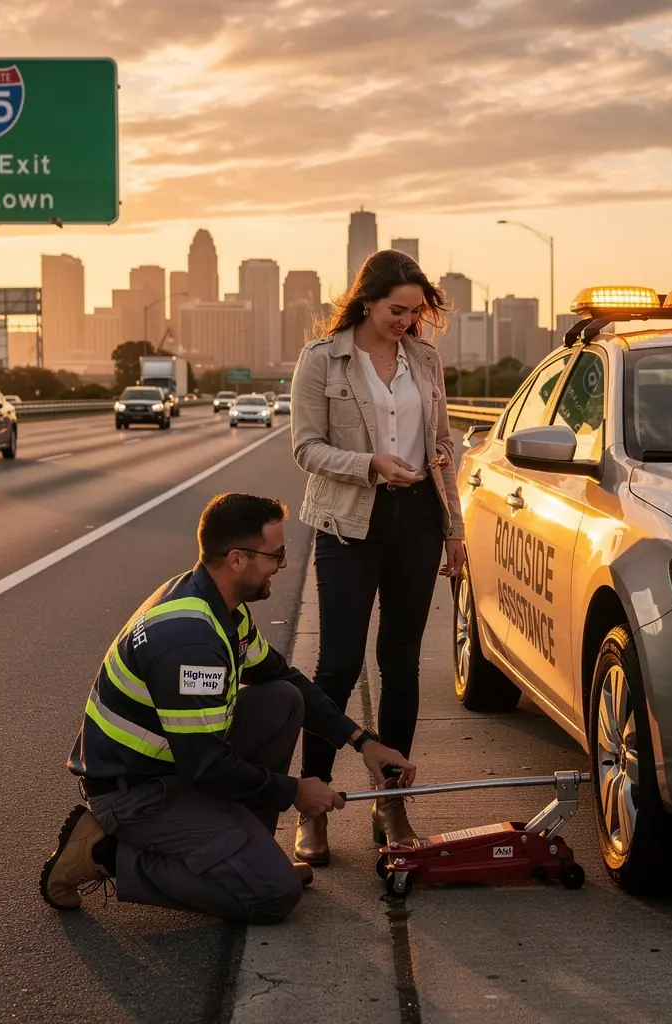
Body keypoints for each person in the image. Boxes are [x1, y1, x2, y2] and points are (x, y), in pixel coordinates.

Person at [39, 492, 415, 924]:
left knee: (282, 699)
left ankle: (243, 852)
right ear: (237, 560)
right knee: (275, 894)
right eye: (277, 554)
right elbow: (207, 767)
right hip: (137, 794)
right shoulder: (191, 642)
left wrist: (362, 742)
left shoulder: (218, 606)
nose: (284, 564)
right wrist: (294, 792)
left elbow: (282, 676)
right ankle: (108, 853)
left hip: (173, 766)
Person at [289, 249, 465, 866]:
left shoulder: (425, 358)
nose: (407, 321)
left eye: (417, 311)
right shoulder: (321, 360)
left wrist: (454, 529)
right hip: (348, 522)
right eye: (397, 309)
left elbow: (443, 442)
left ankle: (392, 802)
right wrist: (369, 465)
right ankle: (313, 805)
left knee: (401, 663)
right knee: (335, 665)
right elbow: (306, 449)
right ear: (366, 299)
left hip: (417, 520)